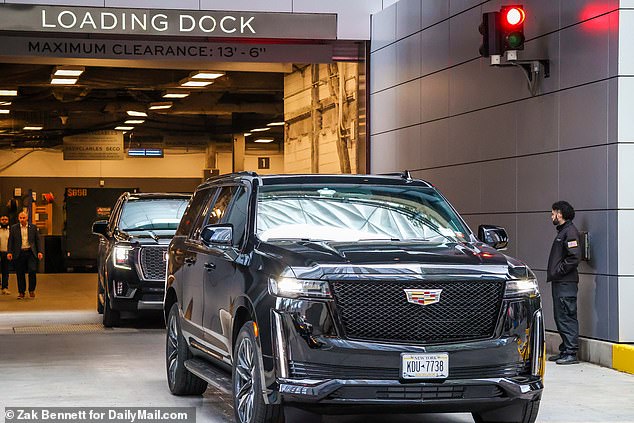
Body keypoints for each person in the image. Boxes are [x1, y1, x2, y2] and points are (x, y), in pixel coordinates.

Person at [547, 201, 582, 365]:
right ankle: (565, 349)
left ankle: (571, 352)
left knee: (567, 315)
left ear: (560, 213)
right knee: (560, 315)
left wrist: (558, 271)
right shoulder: (564, 232)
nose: (552, 216)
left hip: (565, 282)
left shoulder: (570, 232)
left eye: (553, 213)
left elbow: (574, 257)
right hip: (561, 282)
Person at [7, 211, 42, 299]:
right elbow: (10, 241)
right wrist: (9, 252)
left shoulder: (33, 227)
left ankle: (31, 290)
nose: (22, 220)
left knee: (32, 270)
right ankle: (21, 292)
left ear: (27, 218)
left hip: (31, 252)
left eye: (24, 218)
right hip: (19, 252)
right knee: (20, 273)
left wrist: (40, 251)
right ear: (18, 218)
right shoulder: (14, 228)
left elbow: (37, 240)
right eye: (20, 218)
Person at [0, 214, 11, 295]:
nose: (4, 221)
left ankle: (5, 287)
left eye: (6, 219)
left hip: (7, 253)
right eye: (2, 219)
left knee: (5, 271)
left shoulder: (11, 230)